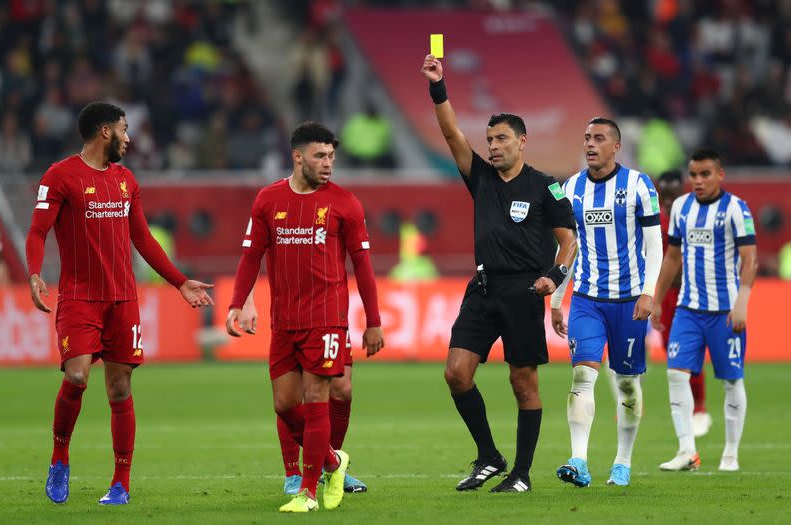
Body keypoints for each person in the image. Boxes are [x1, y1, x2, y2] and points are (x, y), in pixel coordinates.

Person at [26, 102, 214, 506]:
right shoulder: (60, 176)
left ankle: (121, 483)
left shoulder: (127, 180)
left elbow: (143, 239)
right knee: (76, 377)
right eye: (125, 130)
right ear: (105, 132)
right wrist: (36, 273)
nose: (130, 138)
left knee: (119, 387)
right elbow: (38, 230)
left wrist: (179, 282)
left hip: (123, 299)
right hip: (79, 297)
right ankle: (60, 458)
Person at [421, 55, 577, 493]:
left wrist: (554, 276)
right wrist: (439, 87)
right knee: (456, 373)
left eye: (502, 138)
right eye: (489, 139)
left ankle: (522, 474)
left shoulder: (546, 186)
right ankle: (489, 456)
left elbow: (569, 242)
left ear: (522, 141)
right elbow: (451, 132)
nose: (492, 146)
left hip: (525, 289)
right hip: (484, 287)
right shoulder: (482, 179)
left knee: (521, 381)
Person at [225, 121, 384, 512]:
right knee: (284, 404)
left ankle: (308, 492)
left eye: (332, 156)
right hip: (285, 320)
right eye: (320, 156)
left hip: (326, 317)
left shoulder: (345, 202)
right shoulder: (267, 200)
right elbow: (250, 256)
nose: (328, 163)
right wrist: (236, 302)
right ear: (298, 157)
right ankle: (332, 462)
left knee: (320, 397)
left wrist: (374, 320)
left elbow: (363, 265)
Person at [550, 118, 663, 488]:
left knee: (627, 385)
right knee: (583, 375)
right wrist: (557, 297)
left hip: (629, 300)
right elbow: (569, 245)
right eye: (586, 138)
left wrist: (649, 292)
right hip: (587, 299)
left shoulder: (638, 186)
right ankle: (578, 460)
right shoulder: (571, 187)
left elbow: (654, 245)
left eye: (599, 138)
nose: (590, 144)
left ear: (616, 146)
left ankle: (623, 461)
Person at [651, 148, 757, 472]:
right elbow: (672, 257)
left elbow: (750, 259)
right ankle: (687, 451)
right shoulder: (682, 207)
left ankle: (730, 453)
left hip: (725, 311)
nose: (698, 181)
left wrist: (742, 302)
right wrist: (656, 298)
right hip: (688, 309)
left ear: (719, 175)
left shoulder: (736, 209)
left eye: (705, 174)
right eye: (694, 175)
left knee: (730, 381)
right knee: (675, 374)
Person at [237, 299, 367, 494]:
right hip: (292, 311)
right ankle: (293, 474)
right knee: (293, 396)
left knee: (343, 389)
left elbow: (360, 267)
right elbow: (252, 266)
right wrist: (246, 301)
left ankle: (331, 466)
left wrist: (373, 318)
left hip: (330, 310)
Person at [657, 170, 712, 437]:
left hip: (691, 293)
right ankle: (685, 407)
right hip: (666, 295)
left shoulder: (694, 215)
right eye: (664, 196)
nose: (668, 202)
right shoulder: (654, 221)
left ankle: (699, 407)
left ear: (682, 191)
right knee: (673, 353)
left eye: (672, 195)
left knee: (692, 352)